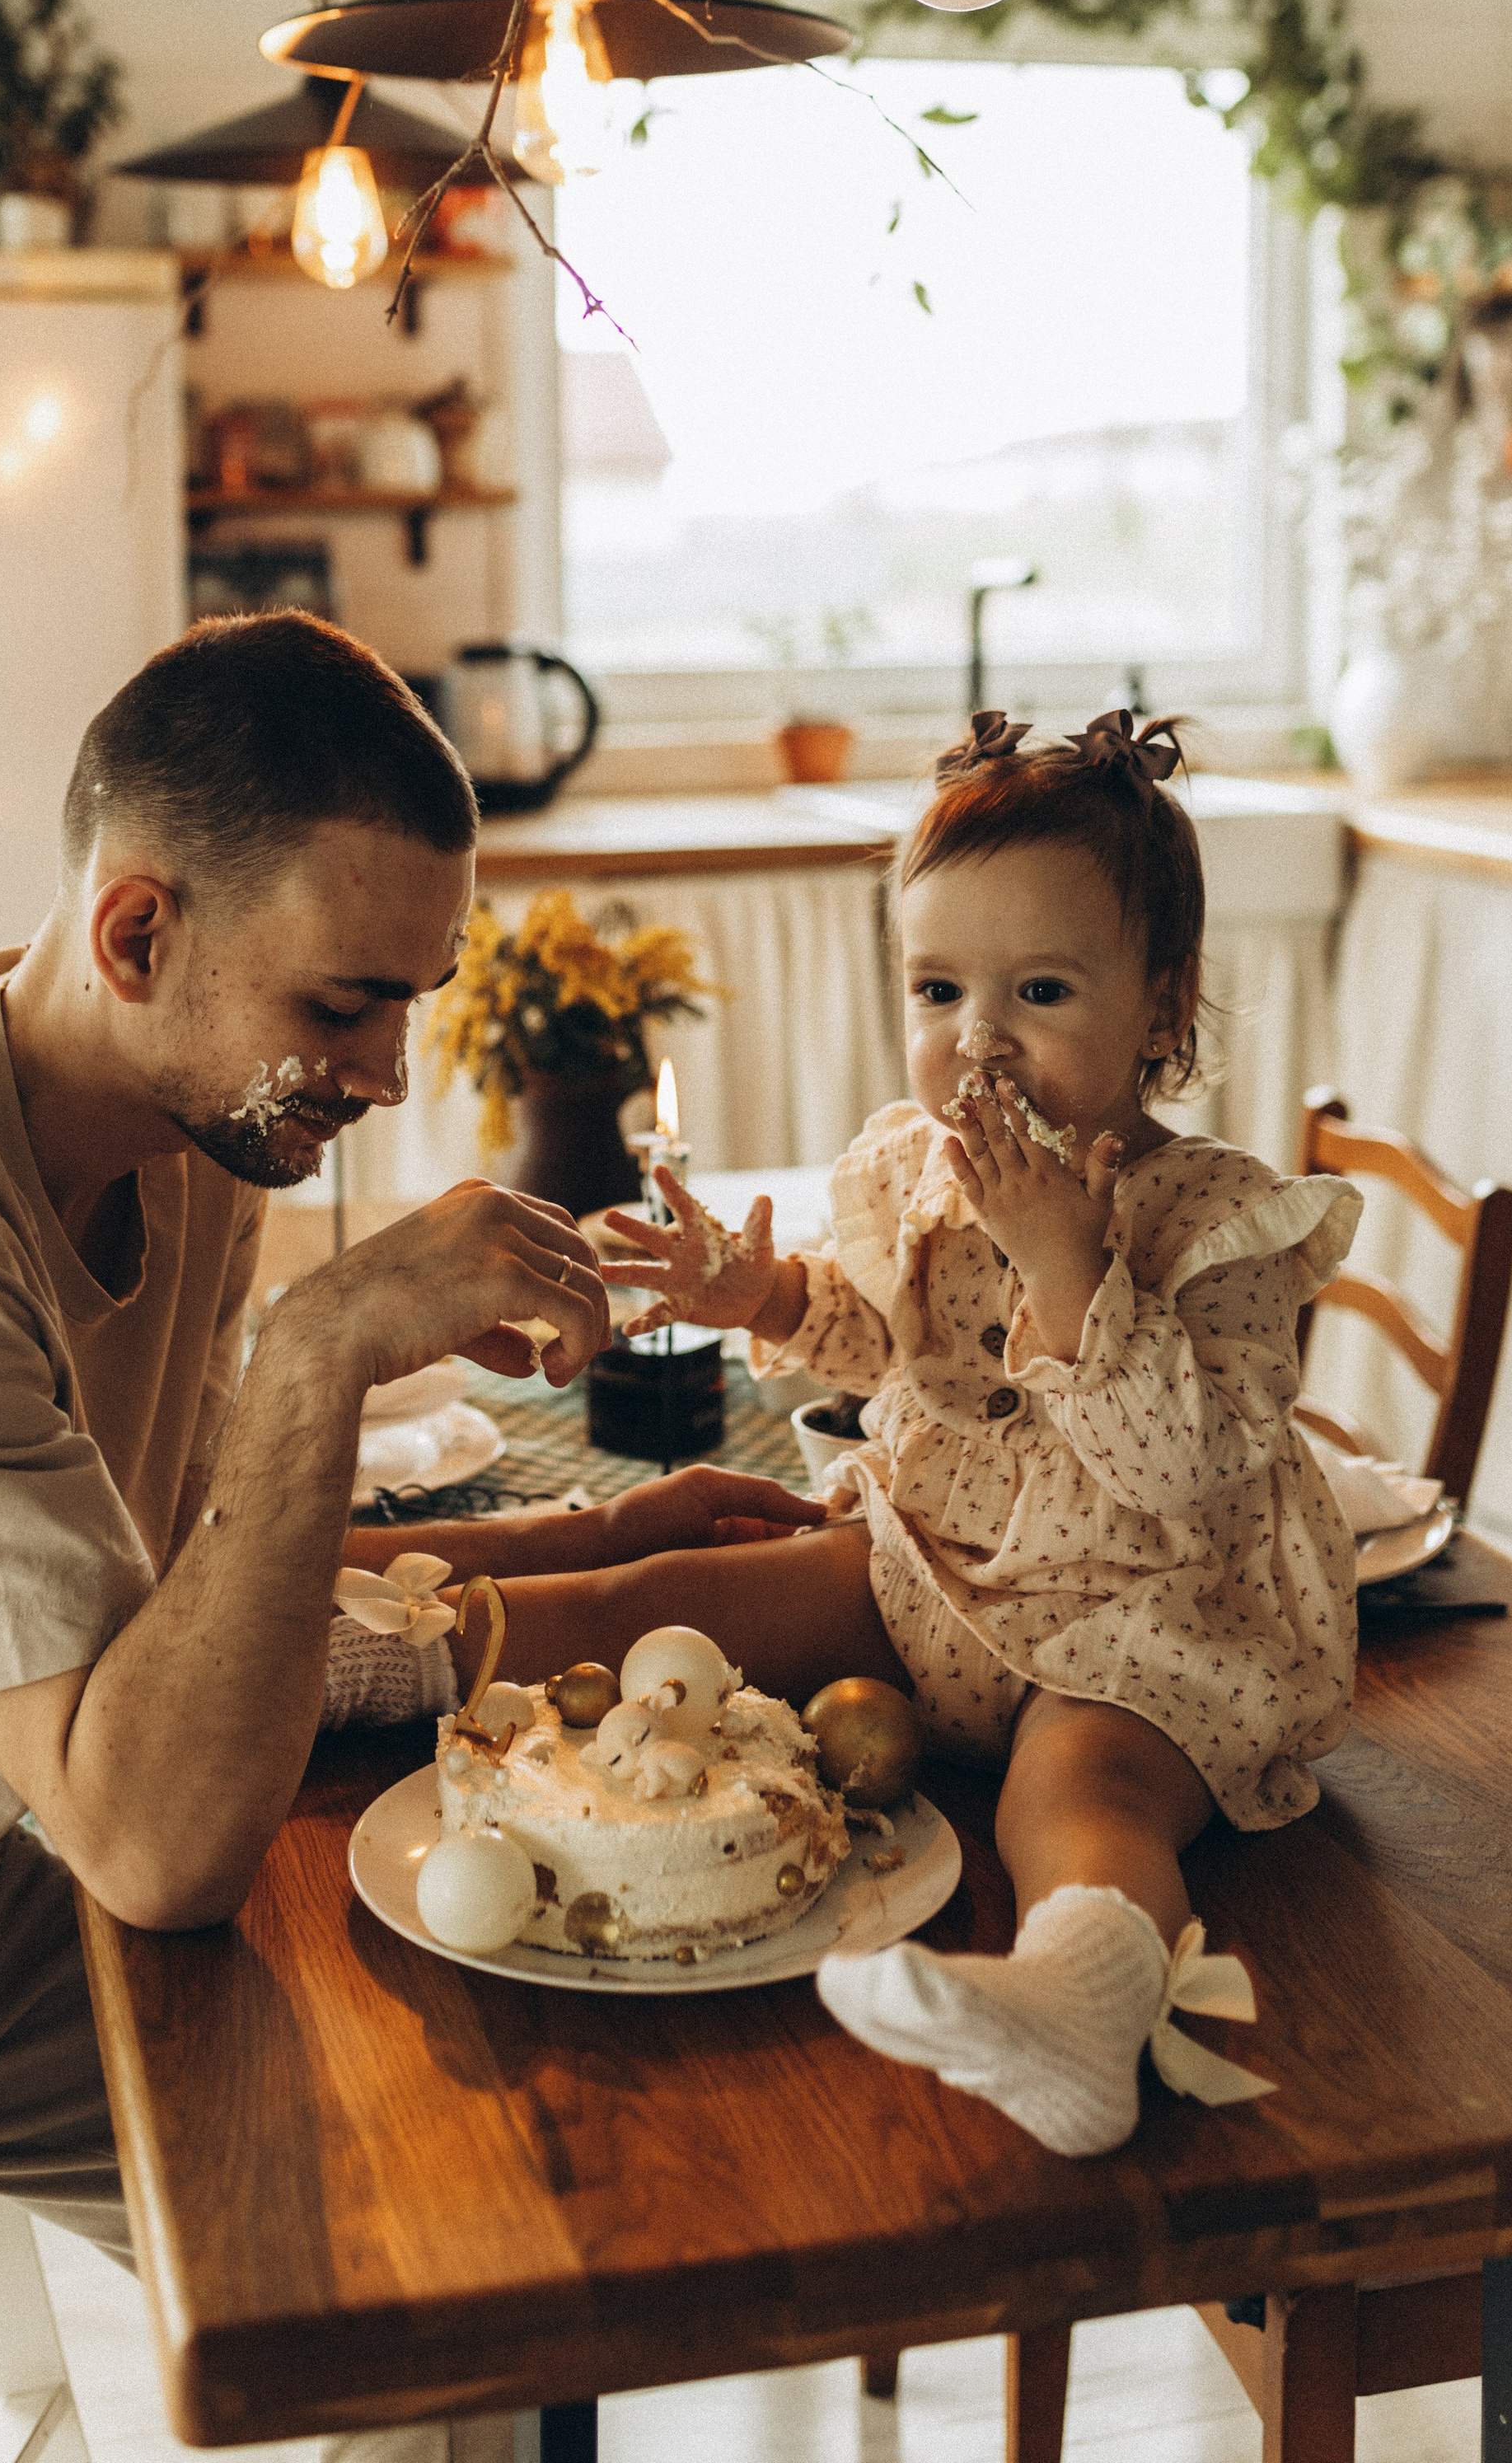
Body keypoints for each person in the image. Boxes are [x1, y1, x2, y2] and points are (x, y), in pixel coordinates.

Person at [0, 611, 819, 2463]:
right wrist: (317, 1351)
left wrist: (590, 1532)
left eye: (412, 997)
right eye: (341, 1006)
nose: (383, 1072)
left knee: (460, 2273)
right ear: (139, 932)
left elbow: (207, 1591)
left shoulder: (180, 1128)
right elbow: (149, 1841)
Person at [427, 709, 1361, 2159]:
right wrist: (771, 1293)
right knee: (677, 1595)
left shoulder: (1216, 1219)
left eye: (1040, 990)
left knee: (1072, 1796)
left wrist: (1067, 1263)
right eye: (939, 989)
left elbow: (1184, 1471)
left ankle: (1079, 2006)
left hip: (1142, 1635)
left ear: (1163, 1011)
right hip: (933, 1575)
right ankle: (372, 1653)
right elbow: (886, 1347)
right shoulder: (916, 1167)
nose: (976, 1043)